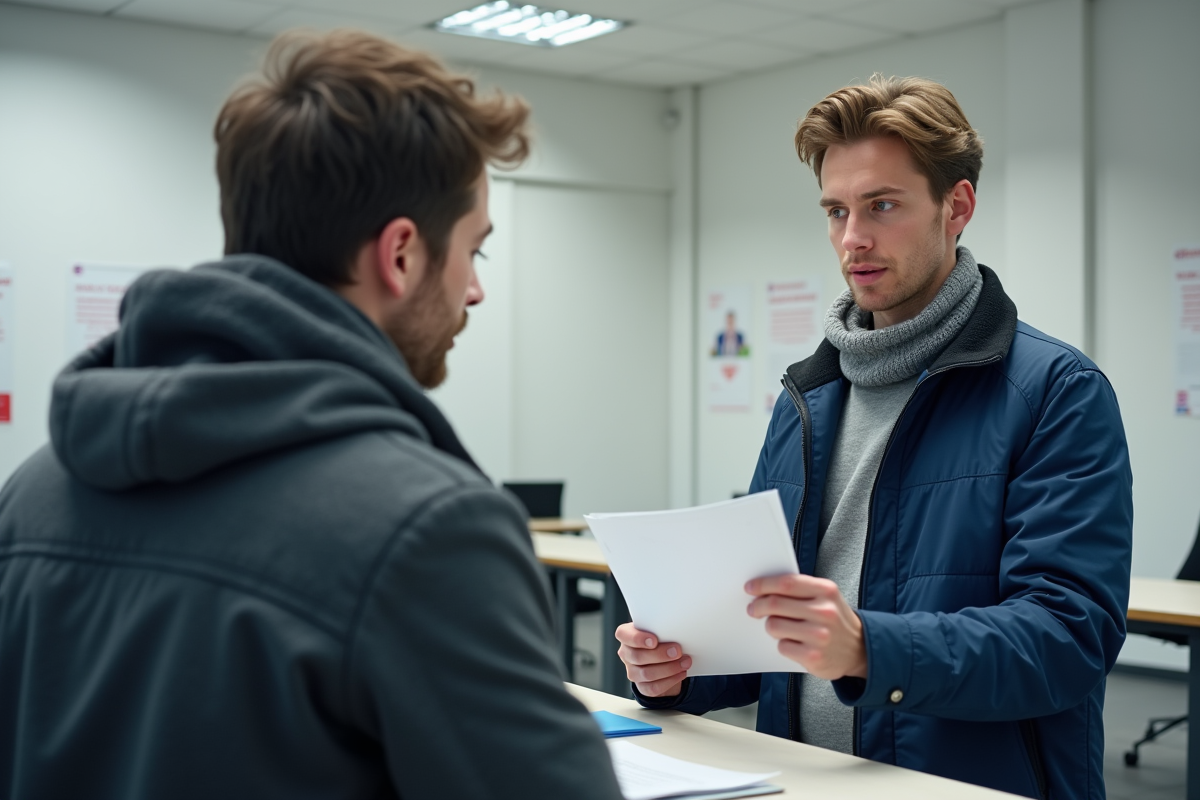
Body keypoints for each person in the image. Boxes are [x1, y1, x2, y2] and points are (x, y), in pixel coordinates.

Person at [0, 30, 622, 800]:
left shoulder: (33, 491)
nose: (475, 290)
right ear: (400, 254)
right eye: (475, 251)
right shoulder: (428, 530)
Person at [616, 74, 1132, 800]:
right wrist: (681, 667)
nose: (852, 238)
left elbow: (1068, 638)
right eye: (836, 210)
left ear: (957, 207)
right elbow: (767, 629)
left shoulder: (1056, 391)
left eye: (882, 205)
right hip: (803, 783)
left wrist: (868, 648)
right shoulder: (807, 395)